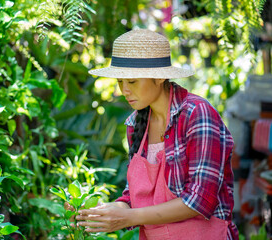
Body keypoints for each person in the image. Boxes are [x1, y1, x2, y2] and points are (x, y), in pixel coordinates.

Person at [76, 29, 239, 240]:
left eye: (132, 82)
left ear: (160, 76)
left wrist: (130, 218)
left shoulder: (197, 114)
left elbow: (200, 200)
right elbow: (136, 198)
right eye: (119, 82)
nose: (124, 90)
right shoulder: (136, 124)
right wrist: (98, 213)